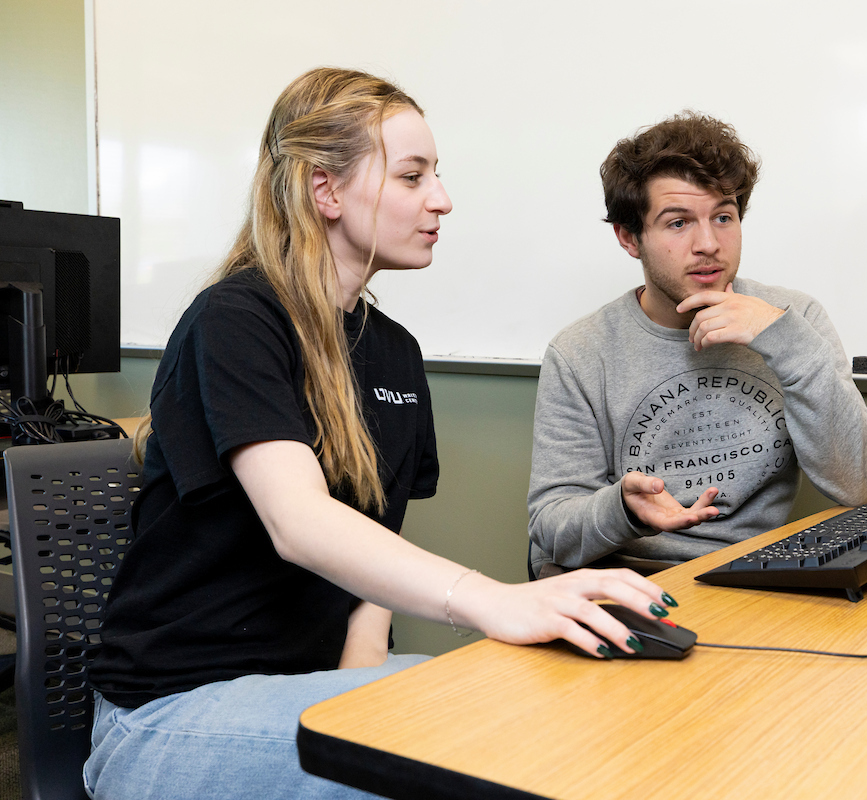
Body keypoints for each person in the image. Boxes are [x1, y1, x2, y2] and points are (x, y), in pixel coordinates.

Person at [84, 68, 675, 800]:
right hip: (167, 715)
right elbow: (299, 523)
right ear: (325, 191)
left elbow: (369, 553)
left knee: (537, 709)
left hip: (302, 689)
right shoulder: (235, 320)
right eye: (411, 176)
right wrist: (492, 600)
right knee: (460, 757)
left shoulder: (391, 348)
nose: (442, 199)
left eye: (437, 174)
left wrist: (365, 698)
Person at [528, 112, 867, 578]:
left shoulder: (796, 320)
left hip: (753, 577)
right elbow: (551, 527)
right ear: (628, 237)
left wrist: (787, 342)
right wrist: (624, 509)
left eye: (723, 217)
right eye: (678, 223)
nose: (708, 244)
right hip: (631, 582)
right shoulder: (580, 352)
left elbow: (858, 484)